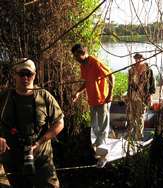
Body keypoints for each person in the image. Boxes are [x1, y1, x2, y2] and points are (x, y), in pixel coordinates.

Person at [0, 58, 64, 187]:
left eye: (29, 74)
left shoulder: (44, 96)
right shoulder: (4, 97)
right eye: (21, 74)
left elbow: (59, 122)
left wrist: (40, 142)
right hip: (13, 157)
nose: (25, 78)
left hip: (42, 158)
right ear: (14, 74)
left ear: (34, 75)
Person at [71, 44, 114, 167]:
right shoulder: (83, 66)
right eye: (74, 56)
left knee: (103, 126)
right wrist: (78, 92)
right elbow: (86, 81)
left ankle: (103, 152)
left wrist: (110, 95)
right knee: (95, 125)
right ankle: (99, 147)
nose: (75, 58)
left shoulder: (95, 62)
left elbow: (111, 75)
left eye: (76, 56)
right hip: (92, 100)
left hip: (102, 99)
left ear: (82, 52)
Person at [127, 53, 155, 140]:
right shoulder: (131, 70)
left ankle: (138, 137)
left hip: (142, 97)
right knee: (131, 116)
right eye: (136, 59)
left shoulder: (148, 71)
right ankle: (130, 137)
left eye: (139, 58)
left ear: (143, 59)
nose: (137, 60)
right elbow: (129, 85)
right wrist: (128, 96)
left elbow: (152, 85)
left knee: (140, 117)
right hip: (132, 97)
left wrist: (149, 96)